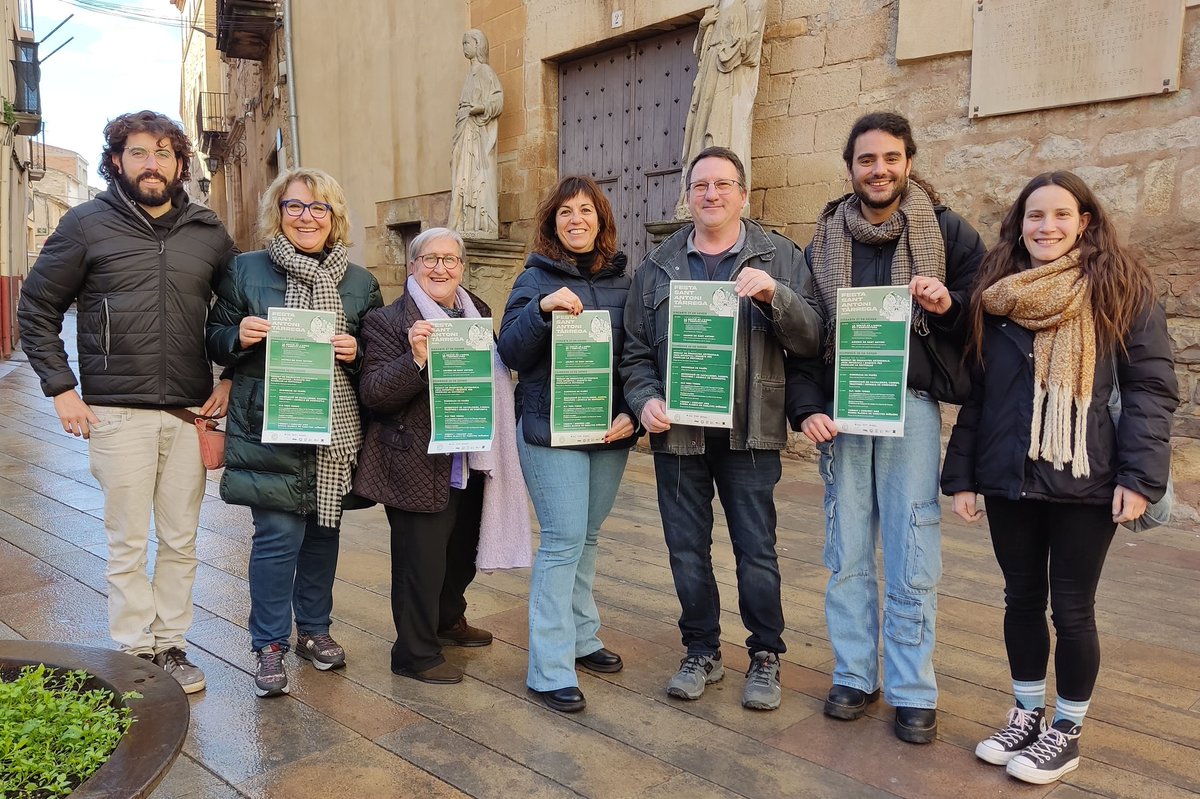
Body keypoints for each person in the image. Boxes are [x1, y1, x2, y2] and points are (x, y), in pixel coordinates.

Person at [942, 172, 1177, 784]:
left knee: (1072, 610)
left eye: (1060, 215)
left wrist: (1139, 477)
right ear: (1019, 224)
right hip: (1008, 476)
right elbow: (979, 393)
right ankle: (1026, 712)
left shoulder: (1120, 288)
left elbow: (1151, 388)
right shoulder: (997, 293)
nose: (1046, 227)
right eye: (1034, 216)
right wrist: (963, 475)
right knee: (1020, 600)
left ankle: (1066, 730)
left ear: (1085, 221)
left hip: (1087, 475)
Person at [17, 110, 235, 694]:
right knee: (128, 540)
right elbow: (35, 309)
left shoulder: (209, 233)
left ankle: (172, 644)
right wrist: (61, 389)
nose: (151, 164)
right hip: (116, 410)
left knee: (182, 539)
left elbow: (237, 313)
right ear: (117, 160)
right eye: (138, 152)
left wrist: (230, 378)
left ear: (181, 164)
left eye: (163, 153)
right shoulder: (87, 225)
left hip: (189, 412)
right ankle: (136, 649)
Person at [787, 112, 985, 743]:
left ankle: (910, 686)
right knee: (845, 546)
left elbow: (985, 318)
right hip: (842, 410)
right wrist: (805, 406)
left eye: (891, 158)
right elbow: (805, 337)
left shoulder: (948, 232)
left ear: (908, 161)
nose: (879, 170)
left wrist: (947, 304)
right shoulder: (821, 239)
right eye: (867, 160)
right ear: (850, 167)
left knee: (911, 543)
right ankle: (853, 673)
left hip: (911, 405)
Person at [621, 146, 822, 712]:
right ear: (688, 195)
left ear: (743, 193)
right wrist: (644, 400)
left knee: (756, 549)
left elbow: (812, 340)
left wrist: (773, 295)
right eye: (701, 185)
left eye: (723, 184)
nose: (712, 194)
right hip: (678, 433)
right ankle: (701, 649)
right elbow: (634, 353)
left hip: (750, 432)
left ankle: (765, 655)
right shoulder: (657, 266)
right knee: (686, 550)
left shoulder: (780, 257)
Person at [206, 168, 383, 698]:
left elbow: (379, 353)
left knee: (323, 533)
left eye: (318, 208)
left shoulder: (359, 282)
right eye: (295, 207)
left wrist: (359, 352)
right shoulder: (244, 270)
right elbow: (214, 337)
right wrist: (236, 334)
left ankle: (314, 631)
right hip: (271, 423)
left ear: (335, 217)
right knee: (279, 536)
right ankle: (268, 646)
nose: (307, 217)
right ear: (278, 214)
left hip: (335, 429)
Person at [354, 227, 529, 685]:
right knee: (421, 562)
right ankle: (413, 652)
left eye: (450, 260)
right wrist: (415, 359)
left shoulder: (478, 313)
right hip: (414, 461)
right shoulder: (388, 321)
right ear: (413, 267)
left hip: (471, 457)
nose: (440, 268)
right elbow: (374, 394)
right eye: (429, 259)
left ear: (462, 267)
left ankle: (448, 620)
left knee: (462, 551)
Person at [498, 176, 639, 713]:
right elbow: (509, 352)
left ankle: (583, 638)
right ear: (552, 223)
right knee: (562, 540)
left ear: (601, 220)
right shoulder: (534, 278)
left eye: (586, 211)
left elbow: (638, 359)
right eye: (565, 213)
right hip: (550, 431)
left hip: (609, 432)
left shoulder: (628, 282)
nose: (576, 219)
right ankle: (549, 668)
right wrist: (540, 312)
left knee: (589, 537)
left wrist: (634, 416)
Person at [449, 29, 503, 239]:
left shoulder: (485, 72)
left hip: (476, 132)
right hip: (464, 129)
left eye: (467, 43)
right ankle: (463, 220)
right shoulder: (469, 76)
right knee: (460, 171)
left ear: (478, 45)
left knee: (476, 175)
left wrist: (478, 108)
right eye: (463, 43)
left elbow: (497, 100)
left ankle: (479, 222)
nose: (464, 47)